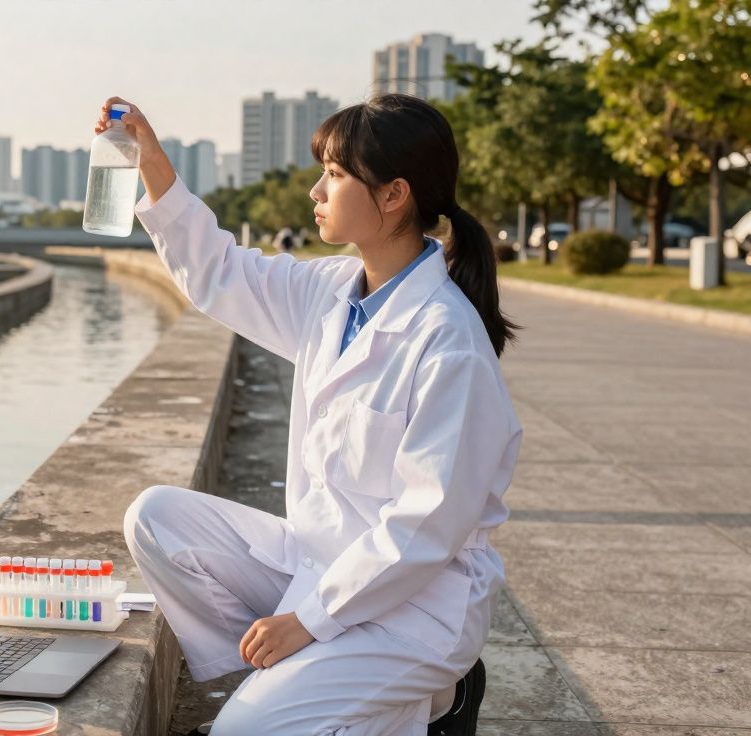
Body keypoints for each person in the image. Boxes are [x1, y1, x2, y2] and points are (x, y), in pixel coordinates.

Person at [97, 94, 522, 736]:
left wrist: (309, 622)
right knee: (157, 520)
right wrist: (151, 161)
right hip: (319, 561)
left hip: (417, 605)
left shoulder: (447, 343)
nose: (315, 190)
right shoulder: (334, 293)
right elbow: (219, 272)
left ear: (392, 196)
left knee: (240, 733)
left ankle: (409, 693)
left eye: (335, 174)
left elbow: (423, 530)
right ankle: (300, 686)